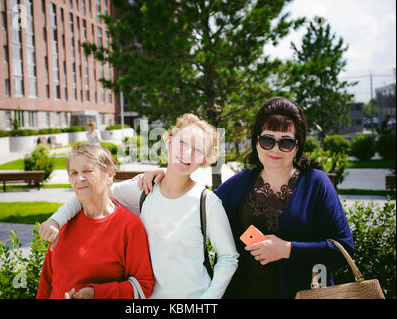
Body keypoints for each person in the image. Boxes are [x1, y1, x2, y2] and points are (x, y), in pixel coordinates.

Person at [138, 97, 354, 298]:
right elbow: (197, 205)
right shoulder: (240, 184)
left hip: (301, 295)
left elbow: (342, 249)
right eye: (268, 140)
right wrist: (167, 175)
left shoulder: (316, 183)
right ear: (256, 141)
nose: (275, 149)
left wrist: (287, 249)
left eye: (285, 142)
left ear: (298, 146)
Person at [39, 114, 239, 299]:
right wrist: (57, 219)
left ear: (204, 160)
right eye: (183, 142)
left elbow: (228, 257)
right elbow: (93, 192)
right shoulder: (143, 189)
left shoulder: (207, 202)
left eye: (197, 149)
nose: (187, 152)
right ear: (169, 142)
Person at [36, 144, 154, 299]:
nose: (79, 178)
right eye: (74, 173)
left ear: (109, 174)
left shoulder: (129, 226)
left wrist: (96, 294)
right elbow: (46, 282)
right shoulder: (62, 222)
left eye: (87, 171)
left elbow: (143, 286)